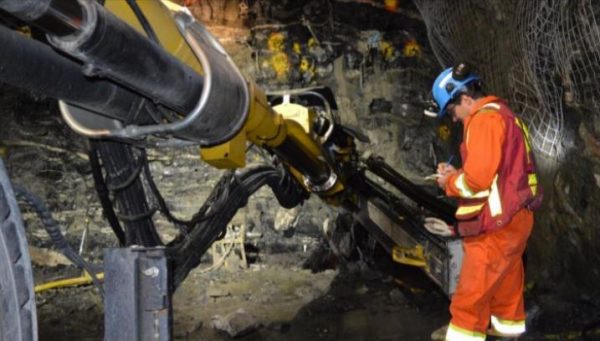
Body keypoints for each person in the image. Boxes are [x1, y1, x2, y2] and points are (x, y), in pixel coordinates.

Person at [423, 63, 543, 341]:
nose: (453, 119)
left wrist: (449, 183)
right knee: (507, 289)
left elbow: (477, 181)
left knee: (470, 297)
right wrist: (459, 173)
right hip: (516, 219)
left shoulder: (483, 121)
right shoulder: (505, 115)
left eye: (451, 111)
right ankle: (506, 333)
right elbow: (499, 172)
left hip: (496, 228)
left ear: (465, 99)